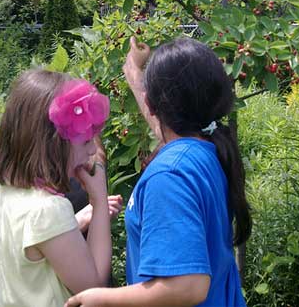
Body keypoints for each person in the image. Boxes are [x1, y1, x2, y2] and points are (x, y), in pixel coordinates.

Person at [65, 36, 252, 307]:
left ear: (153, 105)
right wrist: (133, 71)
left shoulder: (169, 177)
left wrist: (103, 298)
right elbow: (167, 130)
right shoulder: (206, 148)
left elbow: (188, 286)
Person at [0, 69, 113, 307]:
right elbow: (94, 286)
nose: (90, 151)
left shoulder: (2, 192)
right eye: (86, 141)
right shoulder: (49, 209)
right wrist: (99, 201)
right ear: (53, 144)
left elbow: (34, 247)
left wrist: (74, 222)